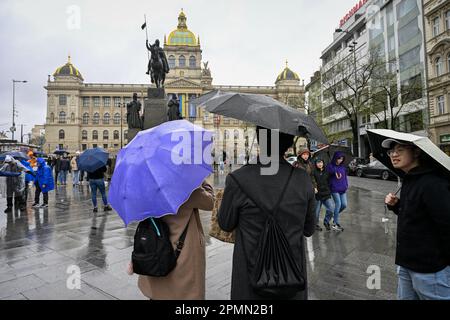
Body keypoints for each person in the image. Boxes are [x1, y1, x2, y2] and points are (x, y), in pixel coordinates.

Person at [218, 126, 316, 300]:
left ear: (260, 140)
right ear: (287, 144)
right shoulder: (303, 180)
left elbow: (225, 223)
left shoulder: (237, 179)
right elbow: (309, 229)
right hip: (291, 275)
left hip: (250, 278)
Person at [383, 139, 450, 300]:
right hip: (406, 263)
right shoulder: (409, 179)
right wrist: (396, 205)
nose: (394, 154)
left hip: (430, 269)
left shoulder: (433, 183)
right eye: (391, 151)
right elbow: (414, 215)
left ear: (416, 152)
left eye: (400, 149)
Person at [137, 181, 215, 299]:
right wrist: (203, 182)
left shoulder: (148, 183)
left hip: (155, 247)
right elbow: (210, 202)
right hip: (182, 250)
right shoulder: (186, 185)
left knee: (158, 291)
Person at [325, 151, 348, 231]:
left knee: (344, 205)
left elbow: (345, 177)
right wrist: (334, 171)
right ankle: (335, 223)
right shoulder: (330, 166)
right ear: (335, 158)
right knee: (338, 204)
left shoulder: (343, 167)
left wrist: (346, 185)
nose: (340, 160)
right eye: (338, 158)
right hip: (334, 189)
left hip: (342, 189)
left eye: (342, 159)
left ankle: (334, 215)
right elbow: (328, 173)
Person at [312, 158, 334, 231]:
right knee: (316, 212)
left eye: (321, 162)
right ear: (316, 164)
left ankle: (326, 222)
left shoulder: (327, 171)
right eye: (318, 163)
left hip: (326, 194)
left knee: (331, 209)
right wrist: (314, 188)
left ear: (323, 163)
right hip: (317, 195)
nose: (319, 164)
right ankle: (315, 225)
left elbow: (331, 180)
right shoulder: (313, 172)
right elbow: (312, 181)